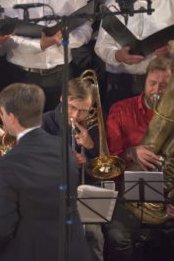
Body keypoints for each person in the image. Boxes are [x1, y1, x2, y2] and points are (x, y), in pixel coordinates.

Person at [0, 83, 92, 261]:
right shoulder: (64, 150)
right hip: (72, 250)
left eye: (1, 114)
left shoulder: (6, 164)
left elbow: (6, 225)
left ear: (11, 117)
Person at [105, 56, 174, 261]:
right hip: (126, 198)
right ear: (144, 81)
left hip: (164, 199)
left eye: (165, 86)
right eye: (152, 83)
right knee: (118, 238)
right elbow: (109, 158)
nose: (157, 90)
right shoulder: (120, 109)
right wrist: (131, 152)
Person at [42, 76, 104, 261]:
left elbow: (103, 169)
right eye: (73, 107)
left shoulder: (95, 125)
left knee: (93, 234)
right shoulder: (43, 123)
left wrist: (91, 146)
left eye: (83, 111)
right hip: (51, 198)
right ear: (62, 99)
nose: (76, 115)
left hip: (84, 198)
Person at [0, 0, 93, 112]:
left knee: (59, 125)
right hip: (22, 75)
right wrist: (40, 45)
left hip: (60, 75)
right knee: (22, 127)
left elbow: (85, 27)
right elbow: (6, 36)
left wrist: (64, 40)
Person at [95, 0, 174, 112]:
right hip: (121, 81)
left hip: (161, 82)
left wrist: (170, 48)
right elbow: (101, 45)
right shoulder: (116, 1)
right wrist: (117, 55)